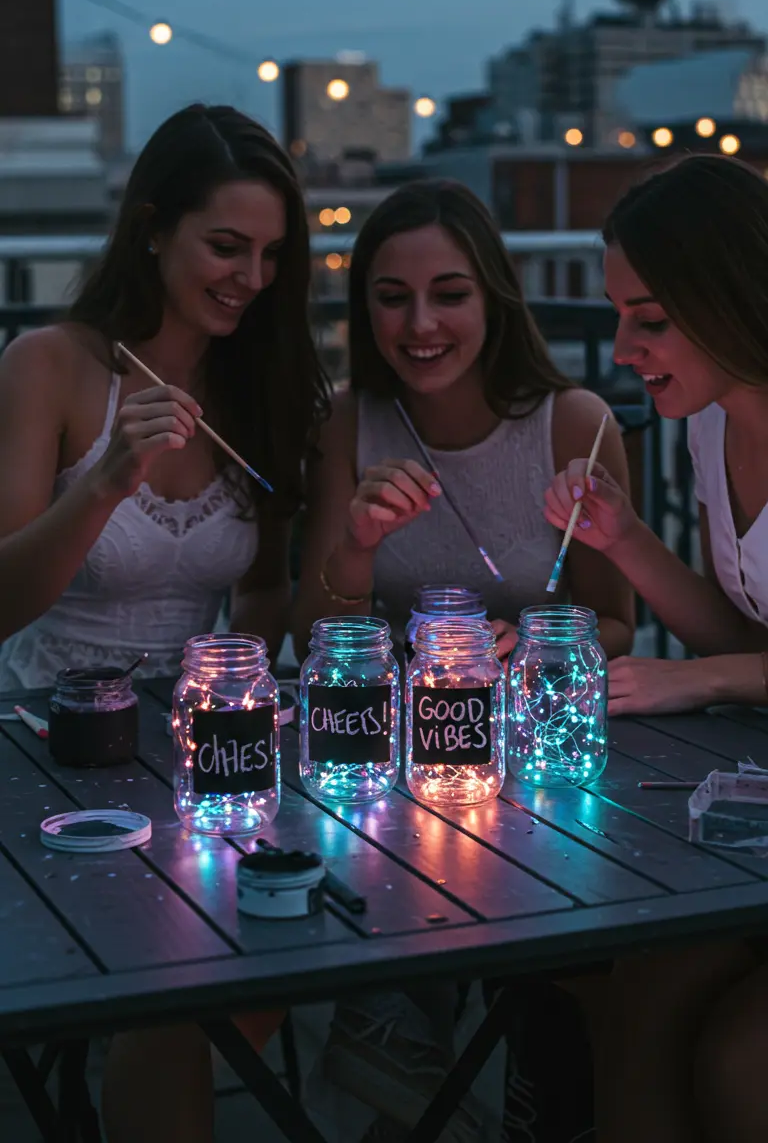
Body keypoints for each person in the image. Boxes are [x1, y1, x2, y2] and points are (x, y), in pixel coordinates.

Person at [0, 103, 329, 1142]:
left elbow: (267, 594)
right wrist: (103, 480)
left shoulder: (262, 380)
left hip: (202, 746)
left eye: (272, 254)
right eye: (225, 245)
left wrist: (258, 671)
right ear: (151, 227)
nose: (250, 277)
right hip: (45, 741)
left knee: (291, 932)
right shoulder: (49, 363)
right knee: (180, 980)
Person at [292, 178, 634, 1140]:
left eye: (450, 293)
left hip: (533, 770)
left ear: (493, 297)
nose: (421, 322)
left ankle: (520, 1078)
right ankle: (408, 1068)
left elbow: (616, 624)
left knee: (567, 941)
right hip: (388, 772)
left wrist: (529, 646)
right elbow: (309, 635)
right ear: (364, 310)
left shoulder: (573, 422)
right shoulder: (350, 419)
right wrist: (357, 541)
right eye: (392, 298)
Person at [543, 153, 768, 1143]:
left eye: (651, 319)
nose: (624, 346)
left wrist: (702, 678)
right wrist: (622, 537)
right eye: (618, 314)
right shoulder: (711, 427)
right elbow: (743, 631)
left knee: (735, 1060)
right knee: (634, 986)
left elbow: (724, 659)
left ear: (729, 297)